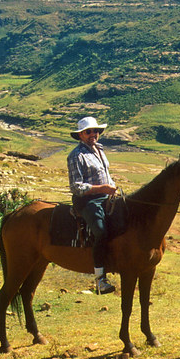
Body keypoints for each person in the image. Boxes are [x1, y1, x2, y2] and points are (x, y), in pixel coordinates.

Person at [67, 116, 119, 295]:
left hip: (105, 197)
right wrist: (102, 188)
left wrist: (111, 186)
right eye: (88, 131)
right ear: (80, 135)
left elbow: (106, 173)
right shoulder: (76, 156)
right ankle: (100, 279)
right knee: (101, 231)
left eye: (96, 131)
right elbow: (76, 187)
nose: (93, 134)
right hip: (87, 201)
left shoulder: (99, 149)